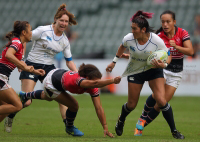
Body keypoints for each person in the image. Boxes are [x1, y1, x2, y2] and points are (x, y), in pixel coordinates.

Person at [106, 10, 184, 139]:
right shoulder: (128, 38)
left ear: (143, 29)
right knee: (131, 105)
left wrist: (163, 65)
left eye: (134, 29)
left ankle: (174, 131)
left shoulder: (155, 40)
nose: (132, 31)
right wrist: (114, 62)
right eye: (131, 28)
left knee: (161, 101)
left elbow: (168, 55)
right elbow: (122, 46)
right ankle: (121, 120)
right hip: (135, 71)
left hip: (154, 70)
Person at [4, 4, 78, 133]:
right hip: (32, 64)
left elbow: (69, 62)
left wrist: (78, 75)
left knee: (61, 96)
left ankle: (68, 125)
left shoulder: (65, 40)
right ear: (56, 19)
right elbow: (24, 39)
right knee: (27, 102)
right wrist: (21, 60)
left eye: (66, 21)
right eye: (62, 20)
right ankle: (11, 114)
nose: (64, 23)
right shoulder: (43, 30)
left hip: (49, 68)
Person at [134, 10, 194, 138]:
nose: (165, 24)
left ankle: (142, 124)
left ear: (174, 22)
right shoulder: (159, 36)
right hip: (161, 69)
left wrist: (177, 47)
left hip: (176, 72)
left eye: (168, 21)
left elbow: (190, 51)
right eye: (163, 22)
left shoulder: (182, 33)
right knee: (159, 97)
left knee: (160, 105)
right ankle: (147, 117)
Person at [18, 63, 121, 137]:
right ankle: (69, 127)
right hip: (51, 83)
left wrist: (105, 127)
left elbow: (98, 108)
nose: (97, 82)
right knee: (74, 105)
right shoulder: (79, 80)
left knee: (47, 97)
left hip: (57, 74)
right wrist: (112, 80)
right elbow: (95, 84)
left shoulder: (92, 87)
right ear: (87, 78)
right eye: (96, 80)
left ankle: (26, 95)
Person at [0, 21, 45, 122]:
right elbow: (8, 55)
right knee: (17, 105)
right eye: (30, 30)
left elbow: (21, 65)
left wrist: (36, 71)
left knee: (6, 107)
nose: (31, 33)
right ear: (24, 32)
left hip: (2, 77)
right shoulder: (17, 43)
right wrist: (22, 65)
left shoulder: (18, 43)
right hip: (1, 77)